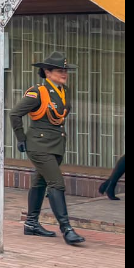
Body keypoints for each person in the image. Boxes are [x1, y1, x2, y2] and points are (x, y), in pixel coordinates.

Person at [11, 52, 84, 245]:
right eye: (60, 71)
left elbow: (60, 114)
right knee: (57, 184)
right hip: (39, 145)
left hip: (56, 144)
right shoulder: (37, 92)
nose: (64, 74)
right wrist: (21, 138)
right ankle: (66, 229)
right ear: (47, 72)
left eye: (65, 71)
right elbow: (15, 114)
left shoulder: (64, 90)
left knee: (39, 183)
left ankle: (31, 223)